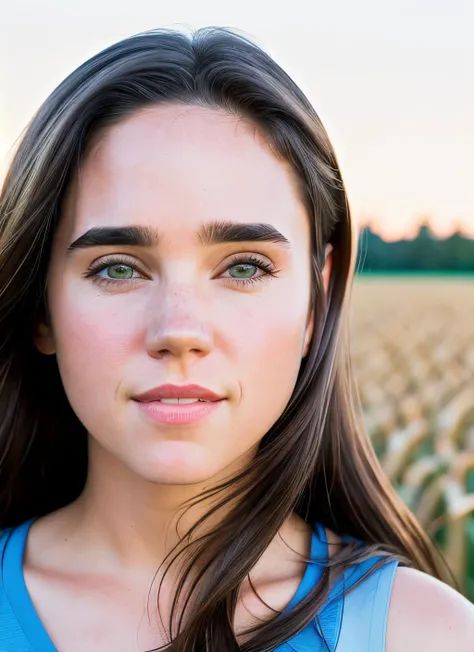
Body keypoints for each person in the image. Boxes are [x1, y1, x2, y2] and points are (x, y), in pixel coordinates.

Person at [0, 26, 472, 652]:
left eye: (244, 266)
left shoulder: (427, 635)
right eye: (117, 267)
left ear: (316, 299)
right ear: (41, 308)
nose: (179, 332)